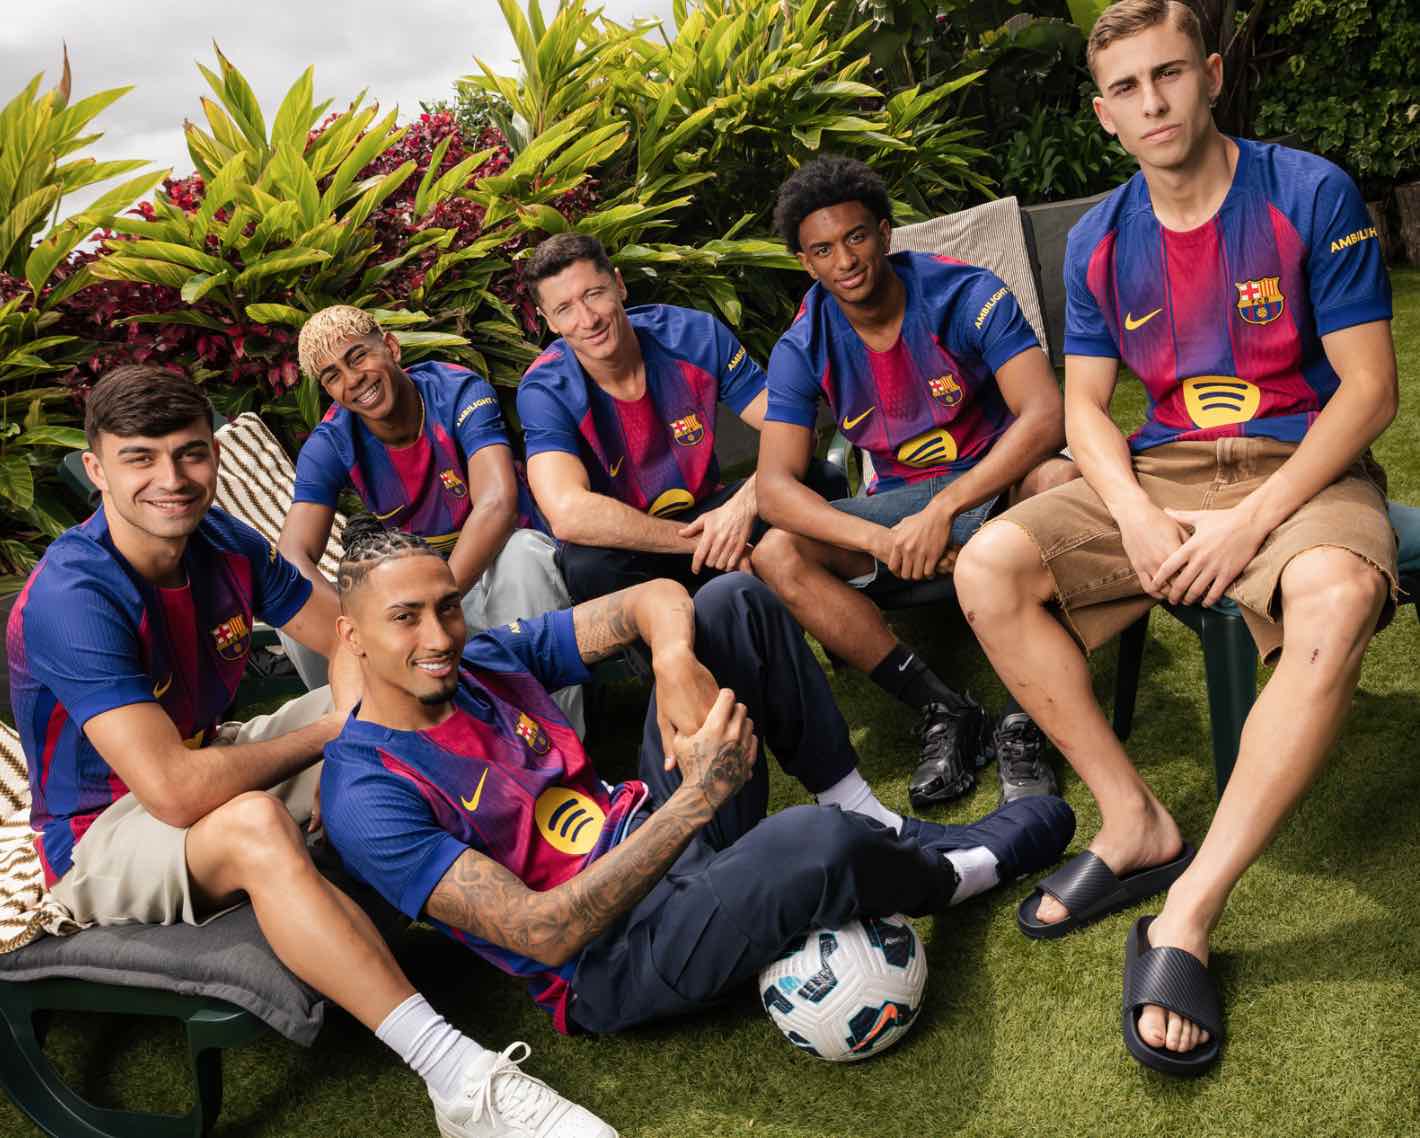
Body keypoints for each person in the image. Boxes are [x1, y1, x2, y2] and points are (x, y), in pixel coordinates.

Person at [952, 0, 1398, 1075]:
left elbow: (1370, 391)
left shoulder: (1308, 193)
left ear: (1210, 76)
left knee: (1337, 594)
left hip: (1302, 465)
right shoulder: (1099, 240)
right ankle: (1133, 821)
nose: (1151, 103)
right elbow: (1085, 408)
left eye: (1168, 74)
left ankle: (1189, 909)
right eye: (1125, 88)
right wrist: (1139, 515)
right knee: (988, 565)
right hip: (1161, 472)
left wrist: (1249, 522)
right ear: (1102, 113)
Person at [6, 366, 615, 1138]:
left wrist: (357, 725)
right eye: (140, 459)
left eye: (190, 453)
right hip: (102, 829)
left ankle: (577, 868)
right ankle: (458, 1079)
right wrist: (339, 737)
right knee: (256, 822)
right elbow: (174, 791)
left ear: (213, 455)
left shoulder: (222, 541)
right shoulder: (75, 597)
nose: (172, 478)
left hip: (210, 757)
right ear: (97, 470)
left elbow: (349, 640)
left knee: (414, 687)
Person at [317, 519, 1076, 1037]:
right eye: (405, 617)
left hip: (654, 829)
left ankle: (866, 812)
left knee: (730, 603)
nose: (439, 636)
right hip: (612, 959)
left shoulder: (484, 661)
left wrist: (673, 660)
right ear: (351, 635)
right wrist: (696, 800)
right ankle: (962, 874)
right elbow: (542, 934)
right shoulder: (366, 792)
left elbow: (651, 598)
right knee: (812, 841)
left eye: (448, 608)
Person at [751, 156, 1077, 808]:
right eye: (823, 250)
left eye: (856, 237)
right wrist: (884, 540)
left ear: (885, 233)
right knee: (776, 552)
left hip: (994, 485)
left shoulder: (964, 293)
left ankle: (1028, 718)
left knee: (1061, 479)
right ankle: (945, 709)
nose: (845, 260)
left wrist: (946, 510)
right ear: (805, 263)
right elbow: (773, 490)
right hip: (899, 507)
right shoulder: (802, 344)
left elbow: (1046, 414)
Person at [279, 305, 583, 734]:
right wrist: (368, 627)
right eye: (332, 376)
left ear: (390, 347)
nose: (352, 380)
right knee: (294, 611)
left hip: (492, 577)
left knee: (524, 555)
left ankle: (558, 743)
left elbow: (497, 503)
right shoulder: (333, 439)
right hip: (416, 596)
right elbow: (292, 555)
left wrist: (435, 606)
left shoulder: (456, 391)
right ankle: (377, 740)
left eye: (358, 357)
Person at [515, 233, 847, 603]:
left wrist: (742, 506)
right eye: (565, 309)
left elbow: (795, 428)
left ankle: (825, 612)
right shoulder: (545, 389)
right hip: (630, 541)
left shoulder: (694, 336)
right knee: (587, 565)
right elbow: (568, 513)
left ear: (619, 284)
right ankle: (668, 640)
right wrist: (700, 541)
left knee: (817, 479)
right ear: (549, 321)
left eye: (594, 294)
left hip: (713, 512)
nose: (587, 319)